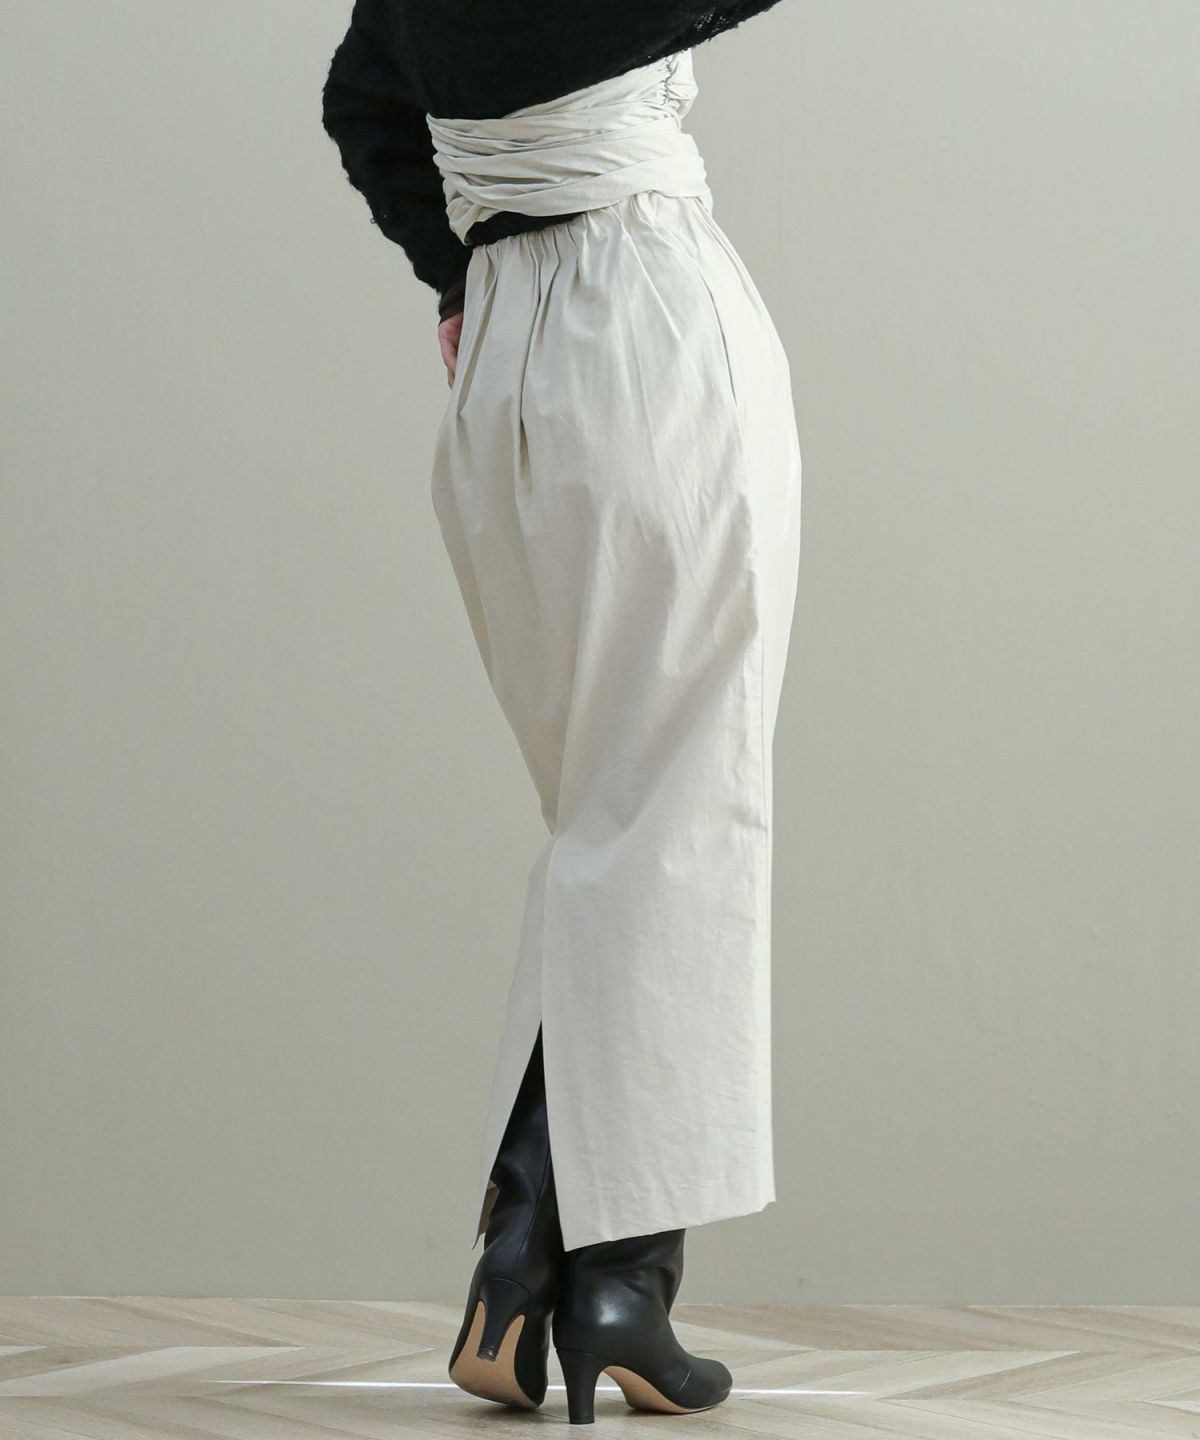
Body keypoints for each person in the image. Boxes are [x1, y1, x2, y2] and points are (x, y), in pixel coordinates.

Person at [322, 2, 802, 1424]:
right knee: (675, 815)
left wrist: (455, 270)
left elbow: (360, 96)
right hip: (650, 331)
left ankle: (540, 1256)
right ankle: (596, 1275)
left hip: (505, 363)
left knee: (614, 818)